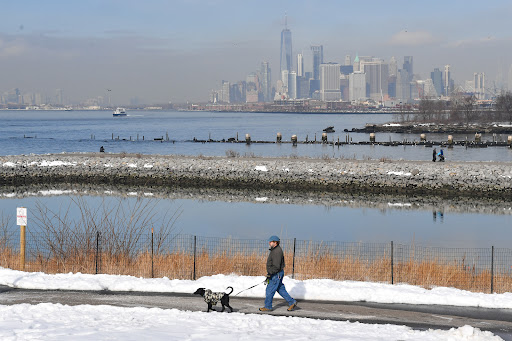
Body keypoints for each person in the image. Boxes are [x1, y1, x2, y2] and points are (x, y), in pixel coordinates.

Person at [259, 235, 297, 312]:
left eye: (271, 241)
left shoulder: (276, 252)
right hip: (277, 273)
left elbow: (276, 266)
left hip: (276, 274)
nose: (269, 243)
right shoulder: (275, 250)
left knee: (269, 290)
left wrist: (270, 273)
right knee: (280, 289)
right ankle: (292, 302)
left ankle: (268, 307)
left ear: (275, 242)